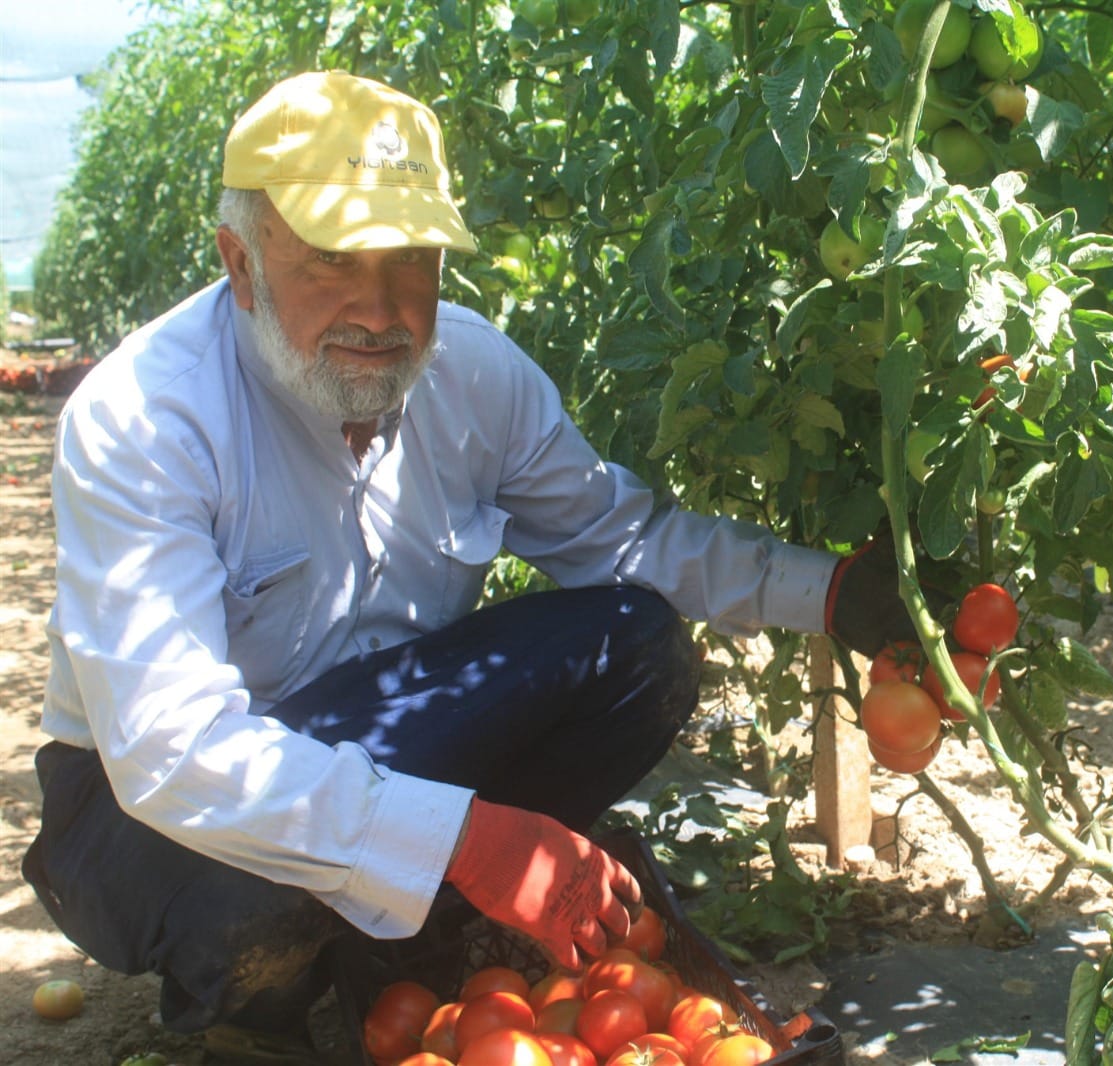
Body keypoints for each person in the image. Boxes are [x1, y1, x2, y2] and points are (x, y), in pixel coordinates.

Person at [21, 70, 917, 1064]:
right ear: (240, 264)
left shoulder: (475, 378)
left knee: (635, 641)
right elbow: (172, 752)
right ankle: (257, 1002)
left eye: (413, 258)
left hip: (386, 731)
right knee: (255, 867)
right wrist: (466, 839)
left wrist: (831, 591)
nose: (381, 305)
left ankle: (411, 942)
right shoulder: (147, 418)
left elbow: (626, 543)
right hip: (135, 816)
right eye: (329, 259)